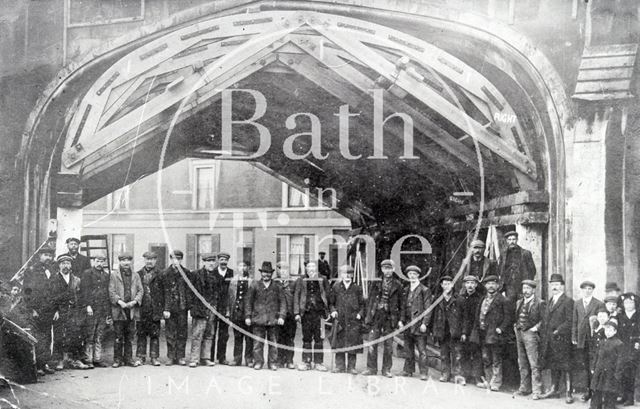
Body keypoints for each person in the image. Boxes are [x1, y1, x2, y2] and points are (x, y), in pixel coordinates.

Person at [361, 259, 403, 378]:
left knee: (388, 345)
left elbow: (402, 304)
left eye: (390, 268)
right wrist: (368, 316)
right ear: (382, 269)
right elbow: (369, 301)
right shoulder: (375, 283)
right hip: (376, 316)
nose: (387, 271)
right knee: (372, 342)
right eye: (385, 268)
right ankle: (371, 368)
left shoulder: (398, 285)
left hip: (390, 318)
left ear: (393, 269)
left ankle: (386, 370)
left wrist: (400, 319)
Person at [245, 261, 286, 370]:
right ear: (261, 273)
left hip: (273, 320)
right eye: (264, 272)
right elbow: (248, 302)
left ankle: (272, 363)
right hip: (258, 319)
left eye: (268, 273)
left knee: (273, 343)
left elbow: (283, 302)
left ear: (271, 274)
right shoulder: (255, 285)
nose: (266, 275)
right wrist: (248, 316)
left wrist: (281, 316)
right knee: (257, 343)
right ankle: (258, 362)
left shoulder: (277, 286)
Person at [22, 245, 56, 376]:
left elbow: (54, 290)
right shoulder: (31, 271)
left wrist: (55, 309)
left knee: (47, 337)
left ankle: (44, 364)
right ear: (39, 256)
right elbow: (26, 292)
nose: (48, 258)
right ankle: (37, 366)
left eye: (50, 255)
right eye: (45, 255)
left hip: (48, 309)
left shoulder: (51, 270)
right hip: (36, 310)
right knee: (37, 337)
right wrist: (32, 309)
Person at [540, 273, 574, 403]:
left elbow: (570, 321)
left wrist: (558, 331)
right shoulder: (550, 301)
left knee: (566, 366)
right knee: (553, 364)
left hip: (562, 340)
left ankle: (569, 392)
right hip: (551, 340)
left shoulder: (568, 301)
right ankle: (554, 390)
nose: (554, 287)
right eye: (552, 284)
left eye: (557, 285)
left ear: (562, 287)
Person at [52, 254, 89, 370]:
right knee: (59, 337)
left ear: (71, 265)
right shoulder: (54, 280)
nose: (65, 266)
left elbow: (82, 296)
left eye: (68, 263)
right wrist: (55, 310)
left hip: (74, 312)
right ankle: (60, 360)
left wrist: (82, 310)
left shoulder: (77, 280)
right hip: (60, 312)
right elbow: (50, 297)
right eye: (63, 263)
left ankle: (75, 360)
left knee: (75, 336)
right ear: (59, 265)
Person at [473, 275, 510, 391]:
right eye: (488, 284)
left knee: (496, 359)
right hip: (483, 333)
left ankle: (496, 383)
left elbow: (508, 317)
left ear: (498, 286)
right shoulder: (483, 299)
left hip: (495, 334)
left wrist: (501, 328)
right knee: (486, 358)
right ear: (485, 286)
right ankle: (488, 380)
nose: (491, 286)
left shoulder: (502, 300)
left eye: (493, 284)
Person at [294, 260, 330, 371]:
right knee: (307, 338)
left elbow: (328, 295)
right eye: (309, 267)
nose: (311, 269)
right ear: (306, 269)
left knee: (319, 338)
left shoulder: (323, 279)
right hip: (306, 313)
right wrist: (296, 313)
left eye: (313, 267)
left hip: (319, 314)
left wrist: (328, 310)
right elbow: (296, 296)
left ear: (317, 268)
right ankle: (306, 362)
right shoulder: (301, 280)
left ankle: (319, 362)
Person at [328, 265, 365, 374]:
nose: (347, 276)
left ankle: (351, 367)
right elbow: (331, 303)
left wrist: (360, 314)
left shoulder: (357, 288)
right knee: (340, 342)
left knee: (353, 343)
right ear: (341, 275)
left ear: (352, 275)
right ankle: (339, 366)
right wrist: (333, 310)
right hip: (340, 319)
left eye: (349, 273)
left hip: (353, 319)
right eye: (345, 273)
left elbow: (363, 304)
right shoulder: (336, 287)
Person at [109, 253, 143, 368]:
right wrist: (120, 302)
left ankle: (128, 358)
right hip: (119, 310)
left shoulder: (136, 275)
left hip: (131, 310)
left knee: (130, 336)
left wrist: (134, 302)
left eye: (128, 260)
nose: (126, 262)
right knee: (118, 336)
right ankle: (117, 359)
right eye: (123, 260)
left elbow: (140, 291)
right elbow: (111, 291)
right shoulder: (114, 275)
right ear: (119, 262)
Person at [572, 280, 604, 402]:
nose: (587, 291)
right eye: (585, 289)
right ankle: (587, 390)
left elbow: (600, 321)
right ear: (582, 290)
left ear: (592, 290)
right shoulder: (577, 303)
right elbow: (575, 321)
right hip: (581, 340)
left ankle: (594, 390)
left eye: (590, 288)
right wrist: (574, 337)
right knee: (585, 365)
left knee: (594, 365)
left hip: (593, 339)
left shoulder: (598, 303)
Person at [398, 265, 431, 380]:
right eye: (410, 274)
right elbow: (402, 307)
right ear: (408, 275)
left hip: (419, 324)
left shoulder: (424, 290)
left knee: (422, 350)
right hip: (407, 323)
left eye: (414, 274)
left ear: (418, 276)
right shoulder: (406, 290)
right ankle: (408, 370)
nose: (412, 276)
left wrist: (424, 323)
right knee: (408, 348)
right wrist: (401, 321)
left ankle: (423, 372)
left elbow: (428, 308)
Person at [79, 253, 112, 368]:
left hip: (102, 309)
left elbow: (107, 293)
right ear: (93, 261)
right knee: (90, 334)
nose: (99, 263)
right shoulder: (87, 273)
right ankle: (88, 359)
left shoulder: (106, 275)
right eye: (97, 261)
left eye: (102, 261)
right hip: (91, 309)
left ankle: (97, 359)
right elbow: (84, 291)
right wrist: (87, 305)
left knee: (99, 334)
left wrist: (108, 311)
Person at [514, 279, 544, 400]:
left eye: (528, 288)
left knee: (534, 363)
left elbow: (544, 320)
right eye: (524, 288)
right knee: (522, 362)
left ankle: (536, 390)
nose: (525, 291)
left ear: (533, 290)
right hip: (519, 333)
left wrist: (535, 328)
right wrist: (516, 327)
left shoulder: (540, 303)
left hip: (531, 334)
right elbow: (516, 316)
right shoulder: (519, 302)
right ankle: (524, 388)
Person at [162, 250, 190, 366]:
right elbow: (163, 293)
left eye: (178, 259)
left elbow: (189, 292)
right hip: (170, 308)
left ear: (181, 260)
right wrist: (165, 308)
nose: (176, 261)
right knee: (170, 332)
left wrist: (188, 306)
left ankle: (180, 356)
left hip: (182, 307)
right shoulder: (164, 274)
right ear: (171, 259)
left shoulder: (187, 273)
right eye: (174, 258)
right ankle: (170, 356)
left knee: (182, 332)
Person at [189, 253, 217, 368]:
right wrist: (194, 307)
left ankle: (205, 358)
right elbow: (190, 292)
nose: (211, 263)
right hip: (199, 309)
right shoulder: (195, 275)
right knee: (197, 334)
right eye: (208, 261)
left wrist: (214, 306)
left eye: (212, 261)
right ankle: (194, 359)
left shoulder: (215, 277)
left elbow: (216, 293)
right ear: (203, 262)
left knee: (209, 334)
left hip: (211, 309)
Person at [431, 275, 461, 383]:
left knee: (456, 354)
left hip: (454, 331)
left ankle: (456, 375)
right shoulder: (437, 299)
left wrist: (462, 331)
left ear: (452, 285)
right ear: (441, 285)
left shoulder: (458, 299)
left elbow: (463, 316)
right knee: (444, 354)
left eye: (449, 283)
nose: (447, 286)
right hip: (441, 330)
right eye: (445, 284)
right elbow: (433, 315)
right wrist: (432, 330)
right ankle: (445, 374)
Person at [136, 251, 164, 366]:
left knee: (155, 334)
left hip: (155, 309)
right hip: (142, 308)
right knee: (141, 334)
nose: (149, 261)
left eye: (152, 259)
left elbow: (164, 293)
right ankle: (140, 357)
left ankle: (154, 357)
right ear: (144, 260)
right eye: (147, 259)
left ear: (155, 260)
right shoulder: (138, 274)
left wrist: (162, 309)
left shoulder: (161, 274)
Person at [590, 320, 625, 409]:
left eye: (610, 330)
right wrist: (593, 367)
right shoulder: (602, 342)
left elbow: (620, 360)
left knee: (609, 391)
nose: (608, 332)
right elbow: (597, 355)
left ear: (615, 331)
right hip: (599, 370)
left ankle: (609, 406)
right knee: (597, 390)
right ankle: (595, 406)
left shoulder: (619, 343)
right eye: (606, 330)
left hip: (610, 372)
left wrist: (617, 373)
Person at [458, 275, 483, 386]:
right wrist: (462, 332)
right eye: (468, 283)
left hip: (476, 330)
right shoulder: (461, 298)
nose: (470, 285)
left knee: (477, 354)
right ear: (464, 285)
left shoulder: (480, 298)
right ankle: (464, 376)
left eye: (472, 283)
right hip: (464, 331)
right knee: (464, 354)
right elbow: (460, 316)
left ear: (476, 285)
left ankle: (478, 378)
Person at [227, 260, 253, 367]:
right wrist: (229, 312)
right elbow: (230, 297)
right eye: (240, 266)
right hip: (237, 312)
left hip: (248, 313)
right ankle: (237, 359)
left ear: (248, 268)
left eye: (244, 266)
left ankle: (249, 359)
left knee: (249, 337)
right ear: (237, 268)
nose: (242, 268)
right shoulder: (233, 281)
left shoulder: (252, 281)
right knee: (237, 337)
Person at [617, 292, 640, 406]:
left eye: (631, 302)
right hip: (623, 348)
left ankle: (630, 398)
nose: (629, 305)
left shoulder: (638, 316)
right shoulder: (620, 316)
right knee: (622, 372)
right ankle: (623, 395)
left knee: (631, 373)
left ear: (635, 303)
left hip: (635, 348)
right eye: (626, 302)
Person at [498, 231, 536, 300]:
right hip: (509, 286)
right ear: (507, 241)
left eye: (513, 239)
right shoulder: (503, 254)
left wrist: (527, 283)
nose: (512, 241)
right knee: (510, 305)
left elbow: (532, 270)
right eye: (509, 239)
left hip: (522, 285)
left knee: (522, 305)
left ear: (517, 240)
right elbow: (500, 269)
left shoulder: (525, 253)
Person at [211, 251, 233, 365]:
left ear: (227, 261)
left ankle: (222, 357)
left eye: (225, 260)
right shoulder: (212, 272)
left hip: (226, 308)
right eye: (221, 260)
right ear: (218, 261)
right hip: (214, 307)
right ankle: (210, 357)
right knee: (212, 332)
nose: (223, 262)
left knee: (224, 334)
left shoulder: (232, 273)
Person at [276, 261, 296, 369]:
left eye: (285, 269)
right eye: (280, 269)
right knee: (279, 338)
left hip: (290, 315)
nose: (283, 271)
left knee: (290, 338)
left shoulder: (293, 282)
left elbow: (296, 298)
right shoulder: (274, 282)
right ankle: (280, 360)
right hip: (278, 315)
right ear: (278, 270)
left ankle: (289, 360)